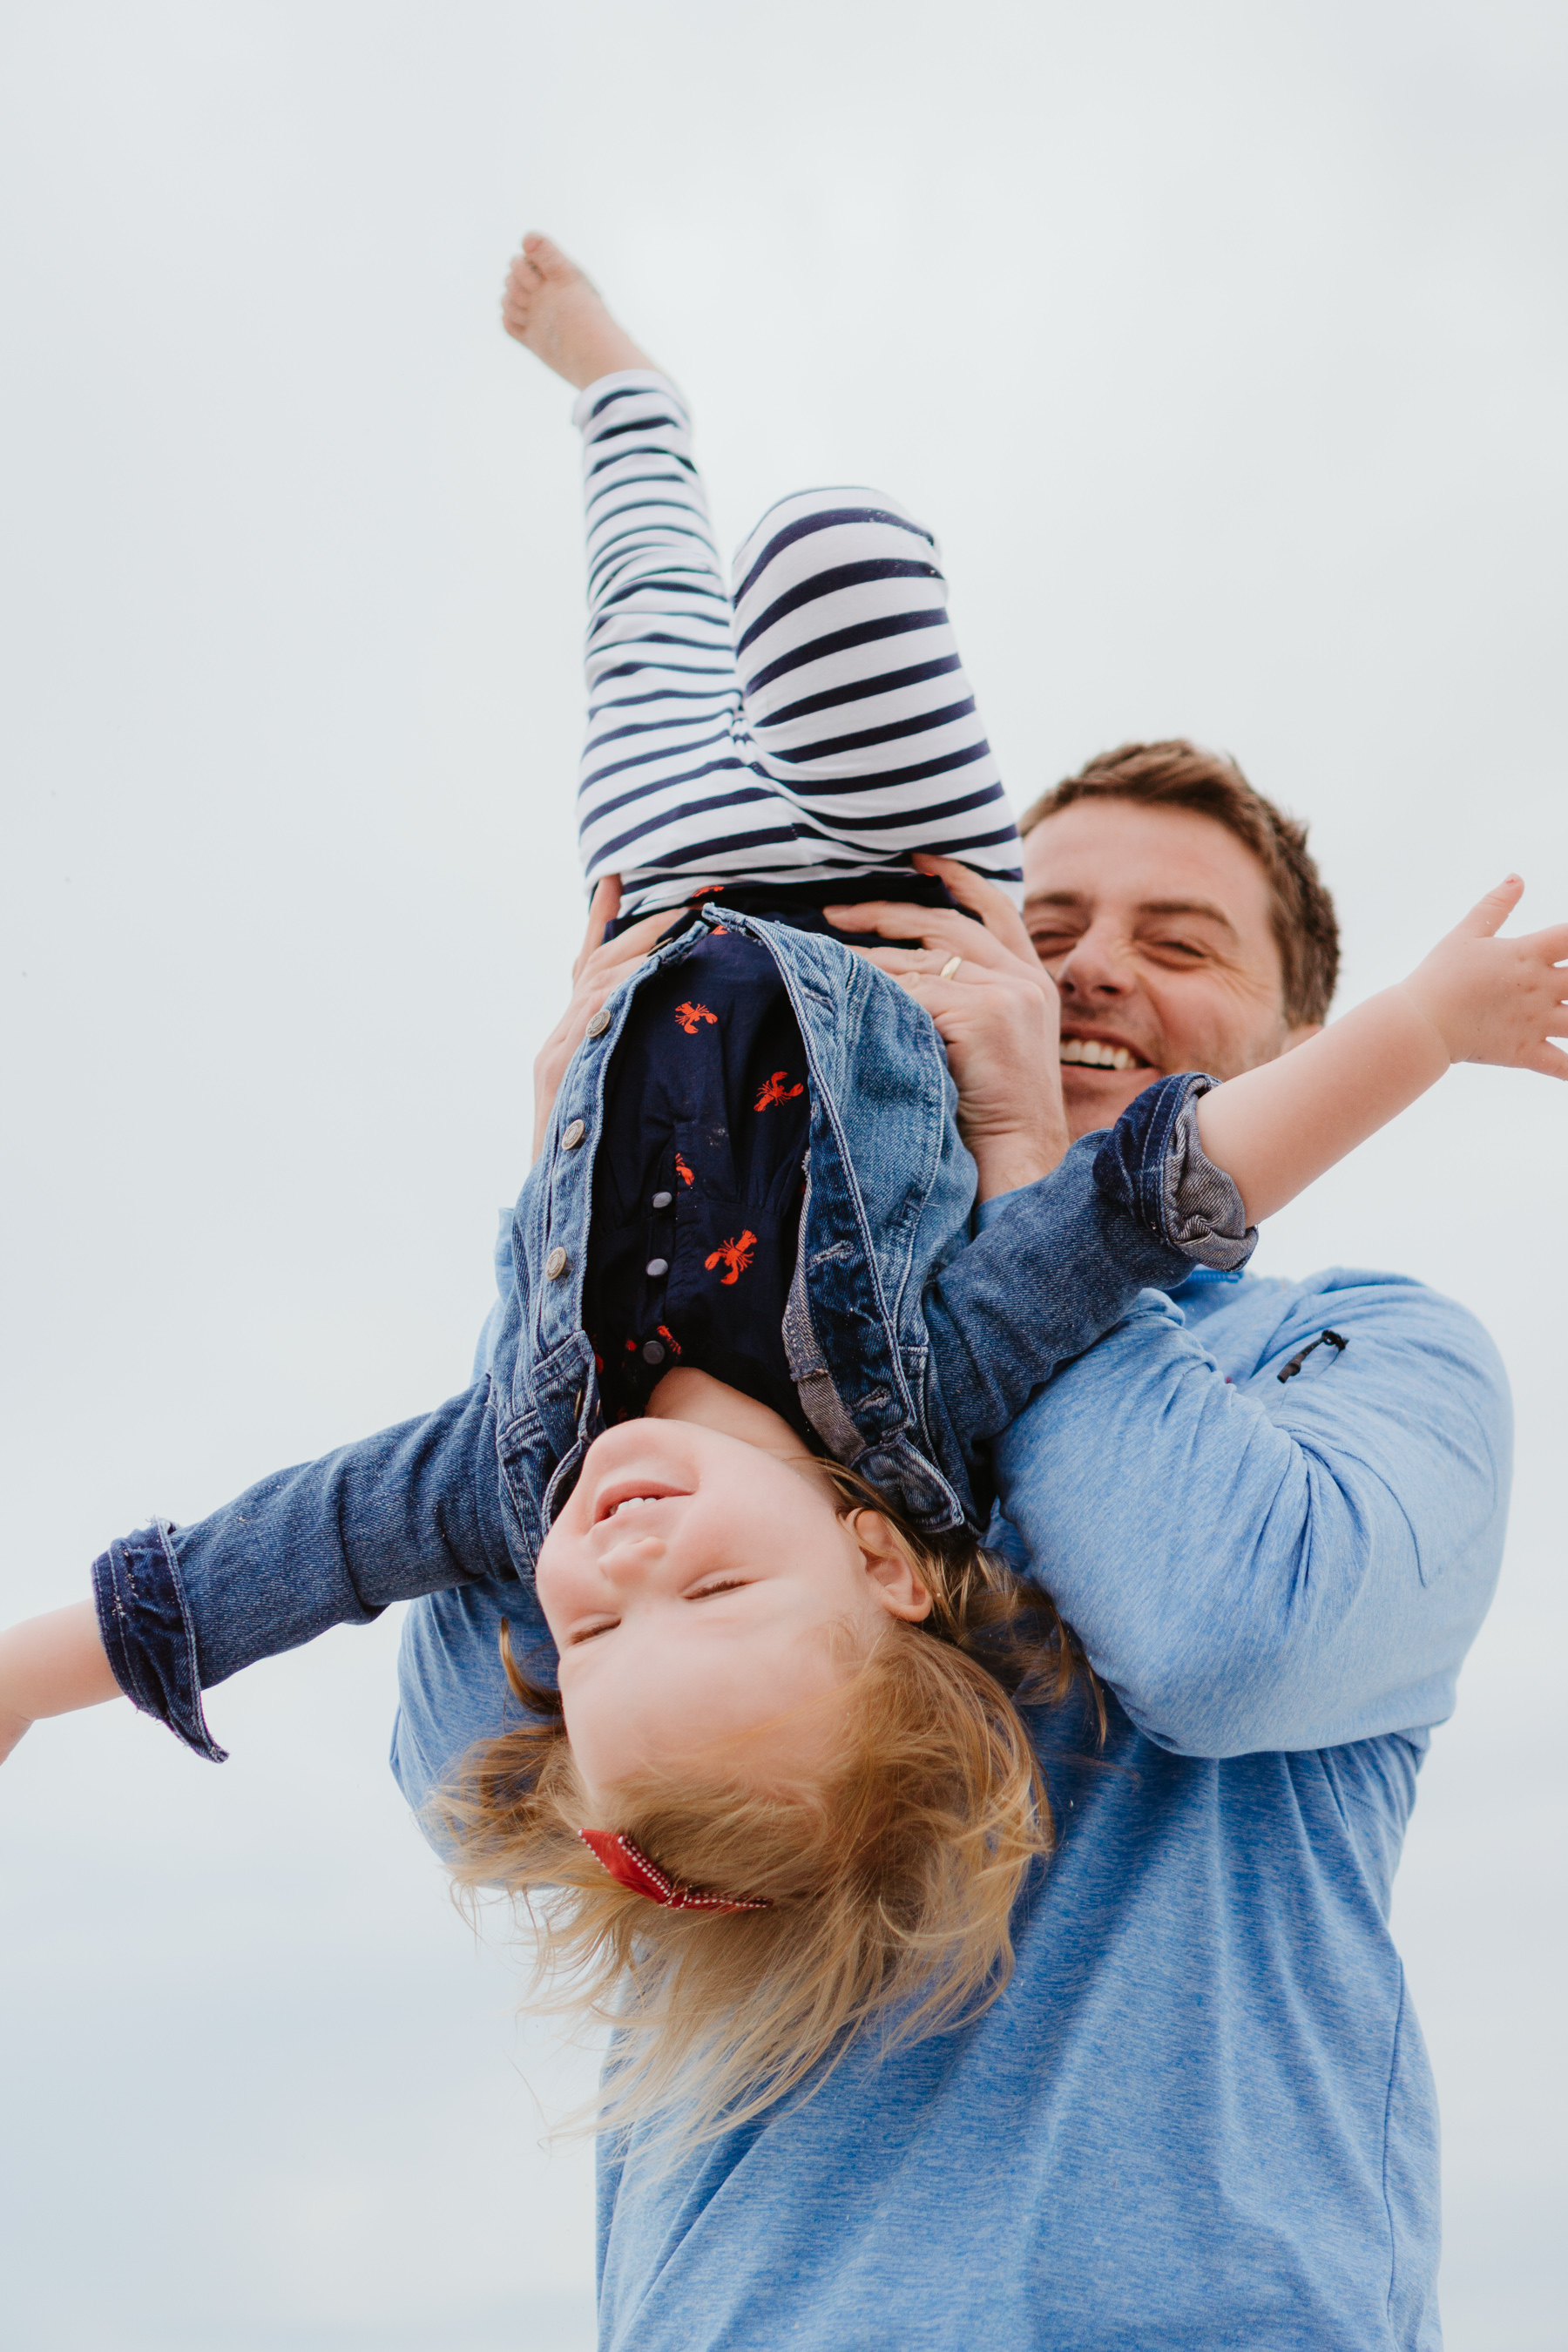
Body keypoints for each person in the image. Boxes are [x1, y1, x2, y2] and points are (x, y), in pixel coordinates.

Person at [3, 239, 1565, 2349]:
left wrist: (1029, 1167)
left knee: (733, 600)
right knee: (788, 583)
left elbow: (1219, 1620)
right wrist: (556, 1199)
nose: (1094, 963)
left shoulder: (1360, 1353)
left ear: (1285, 1036)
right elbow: (481, 1765)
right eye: (1054, 907)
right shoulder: (600, 1450)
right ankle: (635, 402)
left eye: (1179, 943)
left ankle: (638, 411)